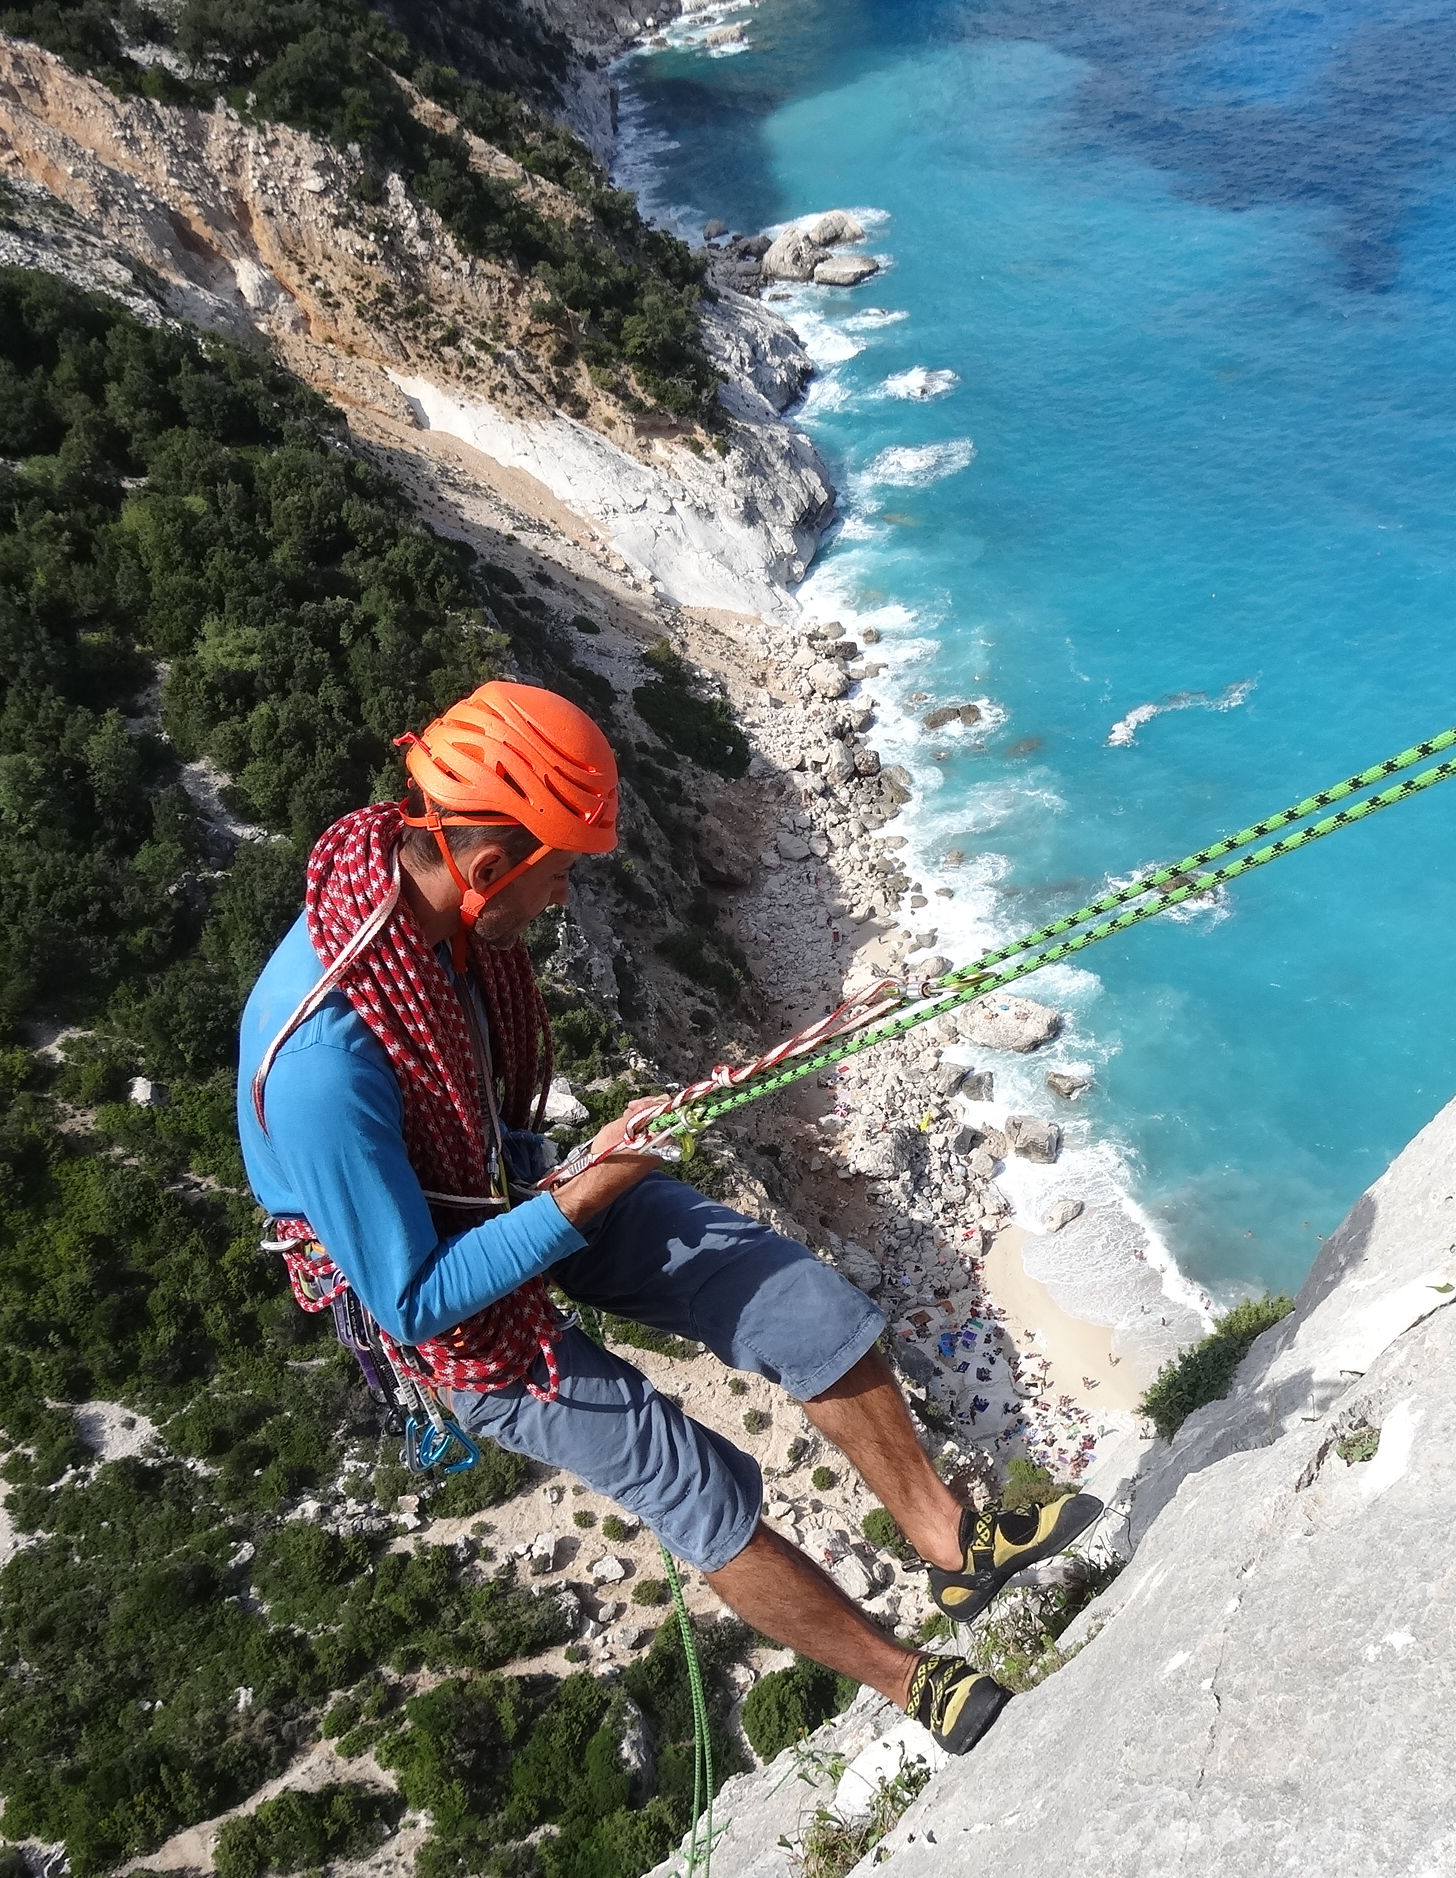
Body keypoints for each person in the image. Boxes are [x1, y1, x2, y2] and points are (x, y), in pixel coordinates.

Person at [235, 681, 1098, 1756]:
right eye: (556, 877)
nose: (559, 905)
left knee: (787, 1299)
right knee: (691, 1481)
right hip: (436, 1297)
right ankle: (911, 1682)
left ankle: (952, 1541)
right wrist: (592, 1187)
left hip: (499, 1185)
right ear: (487, 867)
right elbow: (412, 1300)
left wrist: (571, 1175)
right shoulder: (324, 1066)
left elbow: (478, 1101)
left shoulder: (415, 885)